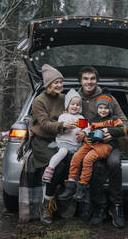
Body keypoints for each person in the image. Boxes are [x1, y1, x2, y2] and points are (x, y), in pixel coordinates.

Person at [76, 66, 128, 228]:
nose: (89, 82)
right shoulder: (74, 98)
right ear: (80, 81)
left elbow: (125, 123)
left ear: (97, 80)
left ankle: (117, 207)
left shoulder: (107, 98)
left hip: (110, 143)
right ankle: (100, 207)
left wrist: (111, 133)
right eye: (85, 78)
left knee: (114, 163)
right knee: (94, 166)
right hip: (88, 143)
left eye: (92, 78)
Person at [29, 64, 77, 224]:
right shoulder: (39, 101)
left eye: (61, 82)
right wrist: (62, 124)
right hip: (43, 140)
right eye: (55, 83)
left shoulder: (64, 99)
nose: (59, 85)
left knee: (72, 161)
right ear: (48, 84)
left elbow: (77, 110)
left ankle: (70, 203)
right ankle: (46, 205)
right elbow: (44, 124)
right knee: (59, 166)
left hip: (63, 139)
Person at [58, 93, 127, 203]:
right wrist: (84, 135)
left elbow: (123, 129)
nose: (103, 110)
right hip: (91, 143)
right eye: (100, 108)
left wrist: (109, 131)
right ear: (97, 109)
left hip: (105, 146)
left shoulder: (114, 119)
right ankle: (70, 185)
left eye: (106, 108)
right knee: (76, 157)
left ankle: (82, 187)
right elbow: (86, 129)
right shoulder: (93, 120)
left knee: (88, 159)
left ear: (110, 109)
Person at [42, 88, 86, 183]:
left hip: (75, 145)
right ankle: (50, 169)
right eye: (72, 104)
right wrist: (66, 125)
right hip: (64, 143)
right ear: (67, 105)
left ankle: (73, 180)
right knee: (63, 152)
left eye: (78, 105)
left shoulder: (81, 118)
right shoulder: (63, 116)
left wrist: (84, 132)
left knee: (76, 160)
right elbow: (59, 129)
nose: (75, 106)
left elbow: (87, 127)